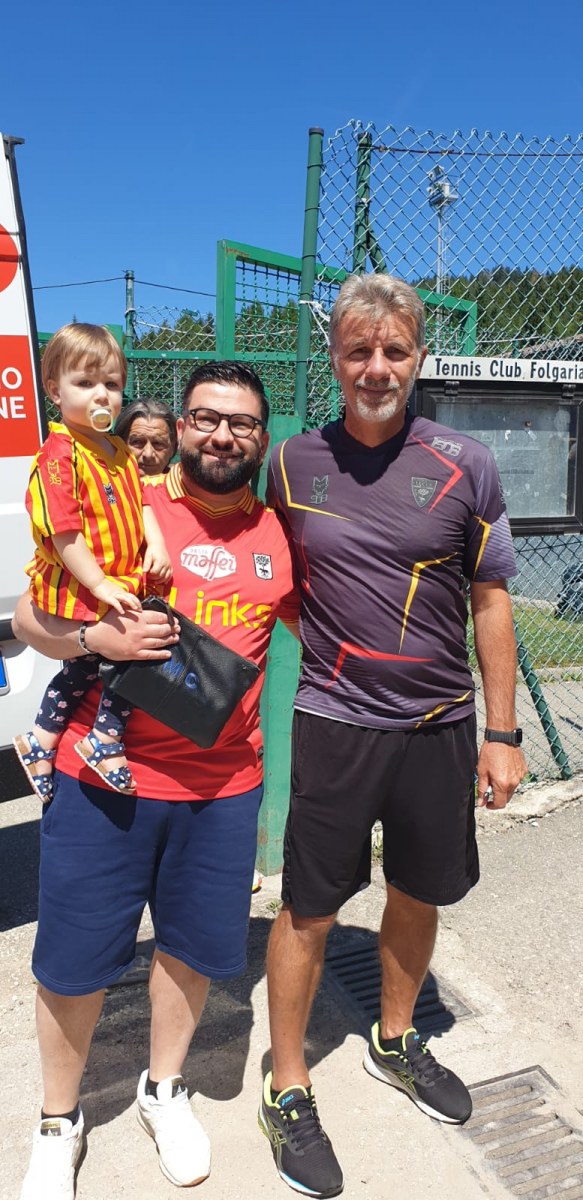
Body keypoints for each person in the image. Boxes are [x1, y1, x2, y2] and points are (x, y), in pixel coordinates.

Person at [260, 273, 528, 1198]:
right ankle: (286, 1085)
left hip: (438, 727)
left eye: (394, 351)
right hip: (334, 725)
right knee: (309, 909)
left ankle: (394, 1038)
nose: (375, 367)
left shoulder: (465, 462)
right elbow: (270, 578)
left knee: (418, 889)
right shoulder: (289, 463)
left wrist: (501, 731)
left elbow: (490, 599)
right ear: (333, 358)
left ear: (418, 358)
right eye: (357, 350)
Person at [13, 360, 298, 1200]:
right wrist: (91, 641)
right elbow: (28, 615)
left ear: (261, 438)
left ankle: (162, 1088)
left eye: (241, 424)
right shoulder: (126, 497)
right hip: (105, 780)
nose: (222, 436)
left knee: (190, 951)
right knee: (73, 964)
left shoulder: (279, 534)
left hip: (222, 787)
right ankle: (57, 1122)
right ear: (180, 426)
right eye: (206, 418)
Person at [13, 324, 172, 802]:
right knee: (129, 655)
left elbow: (143, 503)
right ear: (54, 390)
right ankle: (102, 738)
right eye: (85, 383)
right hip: (83, 583)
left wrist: (156, 545)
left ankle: (42, 738)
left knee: (89, 667)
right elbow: (64, 532)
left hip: (118, 578)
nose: (101, 394)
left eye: (112, 383)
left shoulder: (118, 449)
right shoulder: (58, 456)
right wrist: (100, 584)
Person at [115, 395, 178, 476]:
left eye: (158, 443)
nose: (148, 454)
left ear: (172, 448)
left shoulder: (183, 483)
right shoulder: (103, 481)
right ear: (120, 444)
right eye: (137, 442)